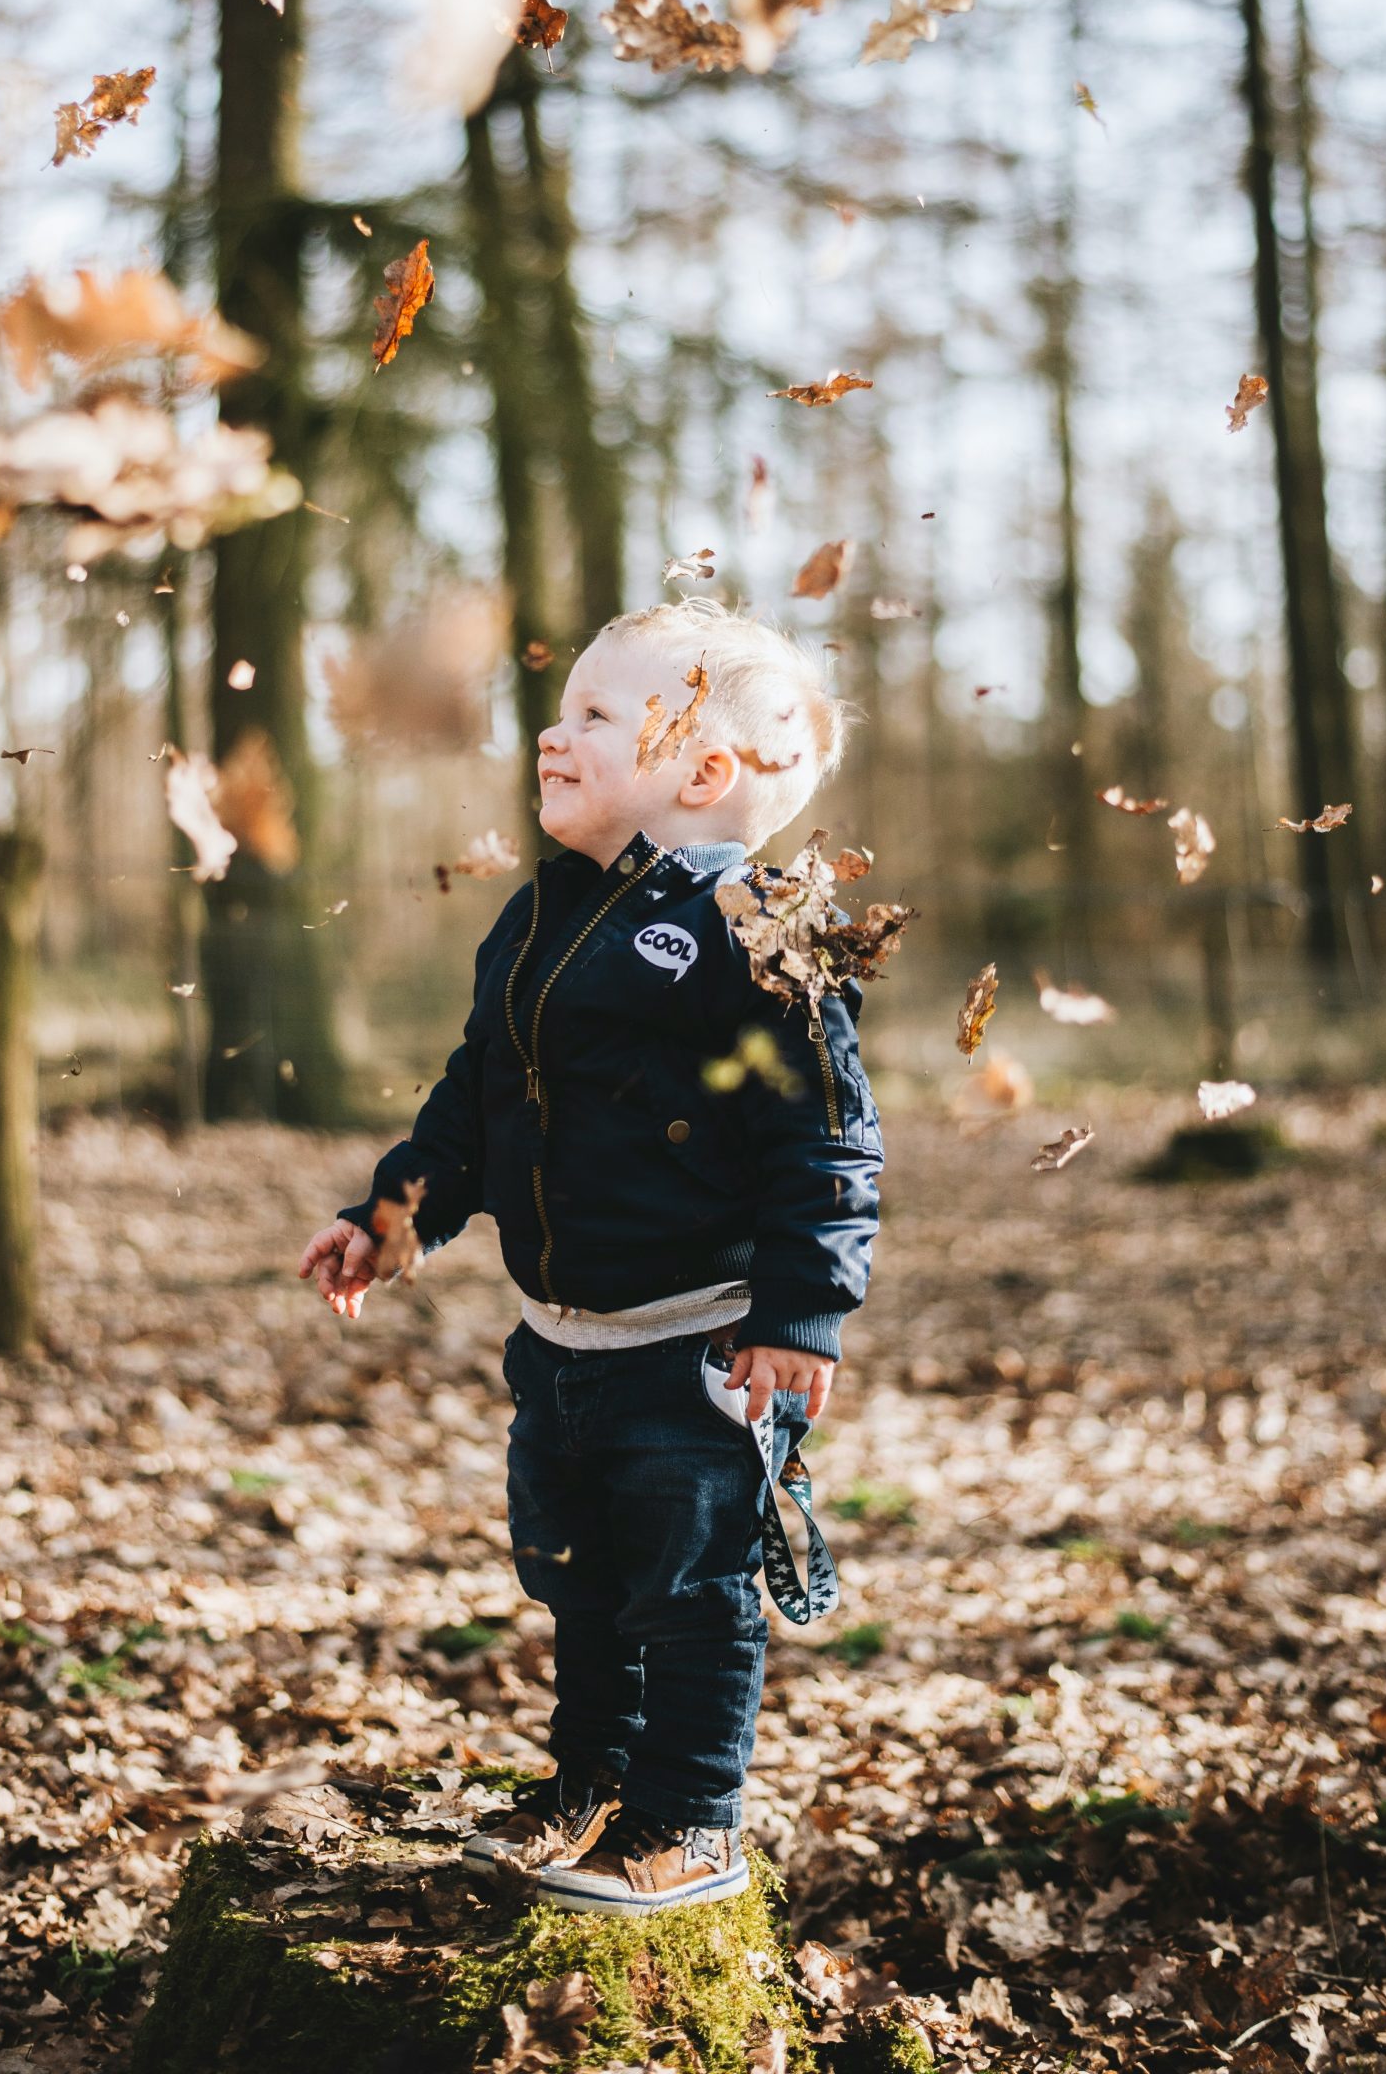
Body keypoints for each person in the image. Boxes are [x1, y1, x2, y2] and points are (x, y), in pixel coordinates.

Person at [297, 598, 884, 1915]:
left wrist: (800, 1319)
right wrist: (394, 1213)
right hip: (559, 1345)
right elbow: (476, 1100)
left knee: (686, 1588)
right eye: (561, 714)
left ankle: (690, 1820)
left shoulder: (757, 927)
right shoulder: (539, 918)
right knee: (579, 1579)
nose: (553, 738)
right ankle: (592, 1784)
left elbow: (828, 1143)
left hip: (699, 1345)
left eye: (597, 718)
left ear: (701, 771)